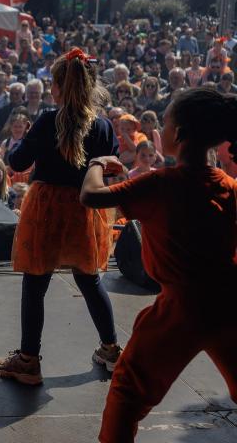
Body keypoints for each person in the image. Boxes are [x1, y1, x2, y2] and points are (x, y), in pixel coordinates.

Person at [79, 87, 237, 442]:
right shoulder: (227, 185)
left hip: (180, 310)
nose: (159, 132)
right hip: (230, 304)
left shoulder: (161, 184)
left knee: (128, 392)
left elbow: (91, 196)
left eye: (164, 124)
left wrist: (96, 164)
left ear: (177, 135)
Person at [0, 48, 121, 385]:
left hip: (46, 209)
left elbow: (17, 163)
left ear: (58, 86)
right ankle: (111, 349)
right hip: (84, 208)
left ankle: (29, 361)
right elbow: (112, 164)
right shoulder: (103, 125)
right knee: (89, 279)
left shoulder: (49, 120)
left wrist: (17, 144)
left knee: (35, 282)